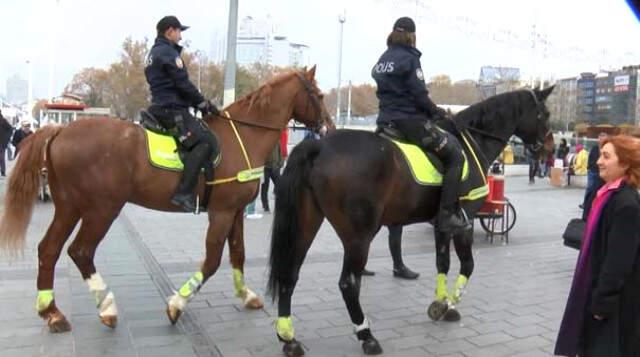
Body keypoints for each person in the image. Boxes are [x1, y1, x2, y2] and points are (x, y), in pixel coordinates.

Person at [371, 16, 469, 234]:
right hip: (410, 122)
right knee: (455, 156)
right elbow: (419, 96)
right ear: (411, 35)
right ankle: (446, 215)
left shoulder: (383, 58)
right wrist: (437, 112)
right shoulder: (410, 59)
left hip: (385, 121)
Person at [555, 134, 640, 357]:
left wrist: (602, 303)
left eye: (606, 156)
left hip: (614, 308)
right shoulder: (607, 196)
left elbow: (618, 262)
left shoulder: (626, 204)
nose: (598, 161)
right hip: (597, 296)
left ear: (625, 163)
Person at [144, 15, 220, 212]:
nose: (180, 36)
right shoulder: (169, 54)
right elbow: (182, 84)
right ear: (170, 31)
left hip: (160, 106)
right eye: (179, 31)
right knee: (206, 142)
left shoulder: (153, 53)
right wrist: (203, 103)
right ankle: (184, 192)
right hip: (172, 109)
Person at [580, 133, 607, 210]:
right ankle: (586, 203)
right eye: (600, 138)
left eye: (603, 138)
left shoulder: (606, 149)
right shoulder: (595, 148)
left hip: (601, 173)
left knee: (599, 188)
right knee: (590, 188)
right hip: (593, 171)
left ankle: (596, 203)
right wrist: (590, 168)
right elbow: (590, 158)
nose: (601, 140)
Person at [261, 131, 285, 213]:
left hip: (275, 168)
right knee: (265, 188)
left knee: (280, 187)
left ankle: (280, 206)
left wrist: (280, 164)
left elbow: (280, 153)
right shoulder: (264, 142)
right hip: (265, 168)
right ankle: (265, 206)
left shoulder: (277, 141)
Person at [0, 110, 13, 177]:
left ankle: (3, 172)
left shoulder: (3, 121)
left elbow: (10, 129)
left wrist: (6, 138)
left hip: (2, 143)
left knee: (1, 158)